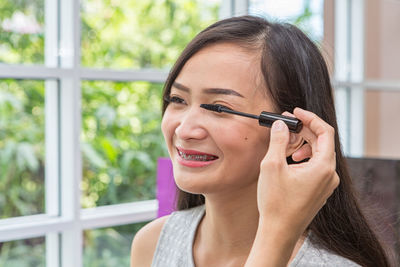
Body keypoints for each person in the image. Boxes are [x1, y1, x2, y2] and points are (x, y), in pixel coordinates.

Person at [130, 16, 391, 266]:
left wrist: (277, 236)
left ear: (293, 134)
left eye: (219, 108)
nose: (185, 130)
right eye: (178, 100)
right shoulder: (153, 244)